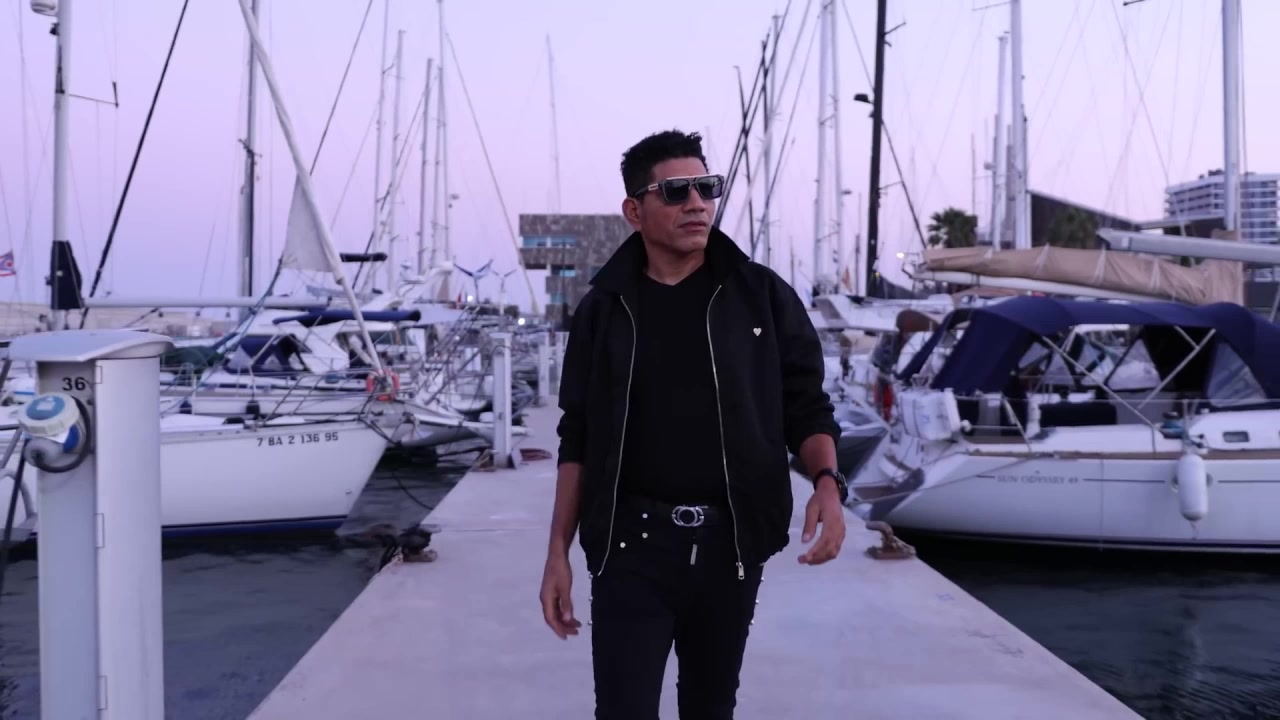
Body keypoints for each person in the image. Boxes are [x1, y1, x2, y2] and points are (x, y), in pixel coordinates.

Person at [538, 129, 848, 720]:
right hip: (630, 547)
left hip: (730, 548)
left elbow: (806, 405)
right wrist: (558, 552)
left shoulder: (761, 296)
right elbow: (577, 437)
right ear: (635, 211)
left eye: (707, 188)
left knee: (710, 708)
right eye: (677, 191)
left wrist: (828, 485)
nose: (698, 204)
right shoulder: (603, 309)